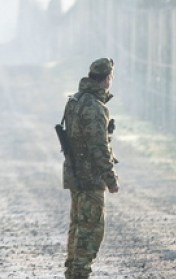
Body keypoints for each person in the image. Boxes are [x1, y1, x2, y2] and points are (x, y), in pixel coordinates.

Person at [61, 57, 119, 279]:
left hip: (76, 174)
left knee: (78, 225)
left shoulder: (75, 101)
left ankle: (73, 271)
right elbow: (99, 148)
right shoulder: (95, 107)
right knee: (91, 229)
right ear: (106, 79)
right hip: (90, 177)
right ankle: (80, 273)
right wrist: (111, 179)